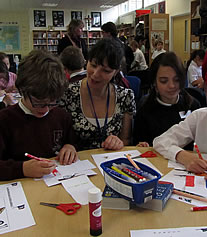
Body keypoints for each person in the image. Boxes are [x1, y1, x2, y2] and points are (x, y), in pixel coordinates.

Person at [0, 50, 78, 181]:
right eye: (39, 103)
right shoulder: (4, 120)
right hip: (20, 189)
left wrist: (70, 147)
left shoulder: (61, 116)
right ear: (22, 90)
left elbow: (72, 141)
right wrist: (22, 168)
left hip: (56, 184)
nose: (46, 109)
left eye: (52, 102)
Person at [59, 38, 136, 151]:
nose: (95, 74)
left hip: (111, 162)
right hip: (77, 163)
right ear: (87, 61)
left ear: (115, 72)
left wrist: (118, 143)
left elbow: (126, 140)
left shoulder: (125, 96)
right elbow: (59, 138)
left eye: (105, 71)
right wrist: (67, 146)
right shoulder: (67, 93)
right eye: (93, 65)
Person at [133, 52, 201, 147]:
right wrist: (141, 146)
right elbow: (138, 143)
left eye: (176, 80)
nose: (171, 86)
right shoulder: (145, 109)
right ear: (154, 83)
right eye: (164, 81)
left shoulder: (193, 105)